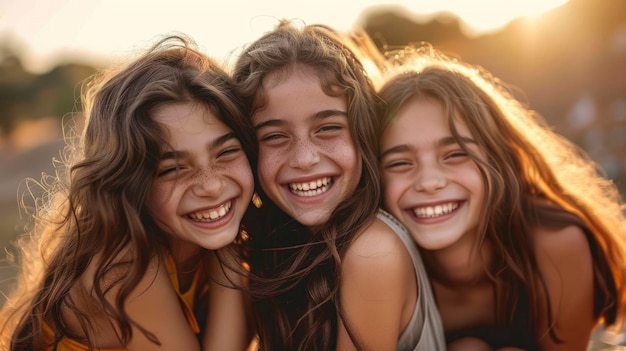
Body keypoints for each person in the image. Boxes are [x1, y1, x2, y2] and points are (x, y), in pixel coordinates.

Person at [0, 35, 255, 351]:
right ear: (127, 181)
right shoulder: (120, 267)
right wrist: (228, 255)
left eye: (226, 152)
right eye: (172, 169)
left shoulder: (199, 244)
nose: (212, 185)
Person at [376, 43, 626, 351]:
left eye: (455, 154)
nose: (429, 182)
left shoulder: (556, 243)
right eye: (400, 162)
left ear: (498, 158)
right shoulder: (377, 262)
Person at [232, 20, 446, 351]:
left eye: (328, 128)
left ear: (363, 132)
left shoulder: (371, 250)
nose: (304, 159)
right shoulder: (279, 246)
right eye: (274, 136)